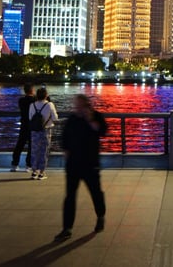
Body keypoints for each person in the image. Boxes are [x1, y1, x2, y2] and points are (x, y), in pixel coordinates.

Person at [53, 94, 108, 242]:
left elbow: (102, 131)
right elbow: (64, 139)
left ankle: (100, 216)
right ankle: (67, 228)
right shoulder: (72, 119)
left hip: (91, 164)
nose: (77, 108)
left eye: (79, 105)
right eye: (75, 105)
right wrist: (66, 154)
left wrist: (90, 119)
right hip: (73, 165)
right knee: (70, 197)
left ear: (86, 105)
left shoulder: (96, 116)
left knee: (96, 193)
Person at [29, 86, 59, 180]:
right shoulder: (50, 105)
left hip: (34, 130)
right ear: (46, 95)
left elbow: (30, 118)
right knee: (44, 151)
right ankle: (41, 173)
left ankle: (34, 172)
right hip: (46, 130)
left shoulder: (32, 105)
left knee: (34, 150)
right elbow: (55, 118)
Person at [11, 83, 35, 172]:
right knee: (31, 146)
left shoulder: (21, 100)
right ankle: (28, 165)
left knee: (19, 145)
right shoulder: (34, 100)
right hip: (32, 125)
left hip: (24, 124)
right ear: (32, 90)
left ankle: (14, 164)